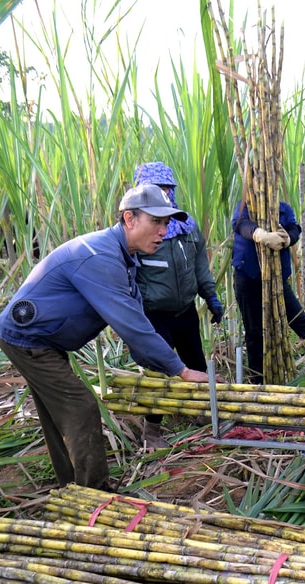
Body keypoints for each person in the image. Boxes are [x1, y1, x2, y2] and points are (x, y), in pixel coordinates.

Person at [0, 184, 211, 491]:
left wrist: (160, 364)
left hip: (44, 339)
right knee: (80, 407)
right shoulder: (101, 257)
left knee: (60, 412)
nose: (163, 231)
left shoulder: (124, 258)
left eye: (166, 223)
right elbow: (133, 325)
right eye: (156, 222)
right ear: (129, 219)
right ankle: (95, 492)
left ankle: (71, 486)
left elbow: (135, 324)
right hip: (28, 339)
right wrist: (182, 370)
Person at [133, 161, 224, 449]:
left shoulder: (186, 226)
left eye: (167, 189)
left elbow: (199, 264)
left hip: (185, 311)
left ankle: (199, 412)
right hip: (154, 315)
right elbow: (128, 276)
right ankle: (152, 431)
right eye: (157, 190)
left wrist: (210, 295)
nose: (164, 194)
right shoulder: (138, 231)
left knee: (195, 362)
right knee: (158, 372)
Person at [232, 199, 305, 384]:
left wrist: (287, 239)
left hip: (277, 279)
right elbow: (240, 224)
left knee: (300, 321)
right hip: (247, 276)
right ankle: (258, 379)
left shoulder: (283, 207)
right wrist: (260, 235)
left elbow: (294, 228)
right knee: (254, 330)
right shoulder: (246, 204)